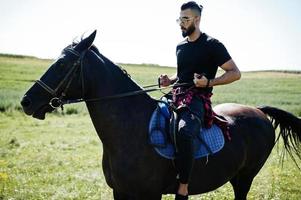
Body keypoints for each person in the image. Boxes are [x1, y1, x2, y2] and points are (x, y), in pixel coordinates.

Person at [159, 2, 241, 200]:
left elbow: (235, 73)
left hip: (197, 99)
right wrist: (169, 80)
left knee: (185, 132)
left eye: (185, 19)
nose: (181, 23)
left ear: (197, 19)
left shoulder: (212, 45)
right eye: (179, 19)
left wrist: (209, 82)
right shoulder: (180, 46)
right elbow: (182, 74)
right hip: (176, 95)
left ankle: (184, 186)